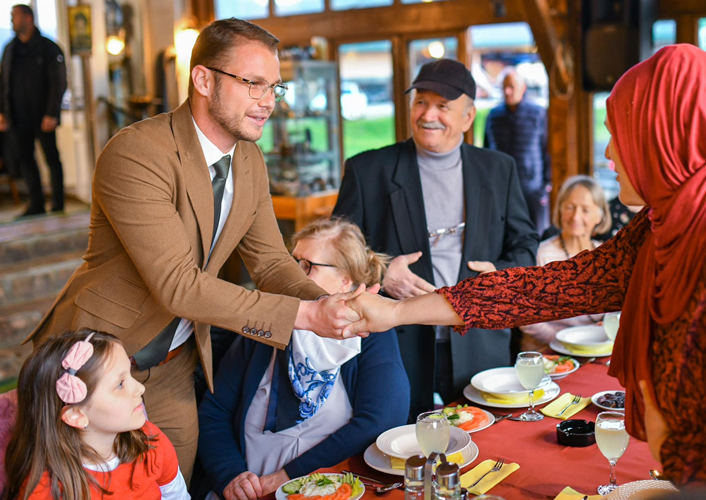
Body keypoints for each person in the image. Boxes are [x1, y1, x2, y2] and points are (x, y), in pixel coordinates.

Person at [344, 44, 706, 498]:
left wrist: (675, 446)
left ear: (661, 136)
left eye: (618, 134)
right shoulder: (674, 216)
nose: (608, 154)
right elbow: (554, 286)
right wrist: (394, 313)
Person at [23, 19, 365, 480]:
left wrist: (328, 304)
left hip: (172, 369)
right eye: (253, 84)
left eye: (275, 88)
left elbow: (270, 263)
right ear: (203, 79)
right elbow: (178, 286)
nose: (268, 102)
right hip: (95, 369)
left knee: (171, 488)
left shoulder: (249, 158)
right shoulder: (136, 152)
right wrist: (305, 318)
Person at [333, 58, 539, 420]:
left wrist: (498, 273)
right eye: (421, 102)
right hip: (396, 344)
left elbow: (524, 245)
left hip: (480, 339)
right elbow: (335, 256)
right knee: (399, 452)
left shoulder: (498, 169)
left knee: (491, 448)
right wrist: (380, 274)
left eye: (443, 106)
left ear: (468, 116)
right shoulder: (368, 170)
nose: (428, 114)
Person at [196, 218, 409, 500]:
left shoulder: (372, 334)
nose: (292, 275)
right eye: (292, 262)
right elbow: (214, 413)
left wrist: (288, 476)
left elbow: (380, 420)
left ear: (345, 280)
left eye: (307, 266)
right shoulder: (266, 325)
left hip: (332, 491)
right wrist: (231, 475)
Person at [4, 330, 190, 500]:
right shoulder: (44, 491)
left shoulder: (150, 440)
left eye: (130, 375)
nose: (140, 388)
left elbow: (177, 496)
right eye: (120, 384)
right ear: (76, 415)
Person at [519, 175, 610, 351]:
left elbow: (614, 313)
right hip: (547, 352)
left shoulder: (607, 255)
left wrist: (596, 337)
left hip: (594, 349)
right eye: (570, 207)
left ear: (599, 216)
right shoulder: (542, 255)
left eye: (585, 210)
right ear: (560, 210)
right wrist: (570, 343)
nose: (576, 216)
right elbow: (526, 318)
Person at [0, 4, 67, 216]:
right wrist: (2, 112)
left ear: (28, 18)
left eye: (14, 16)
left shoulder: (49, 48)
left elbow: (59, 82)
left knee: (52, 159)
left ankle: (58, 204)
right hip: (19, 118)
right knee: (26, 161)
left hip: (43, 116)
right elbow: (3, 83)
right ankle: (36, 204)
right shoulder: (10, 49)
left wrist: (52, 113)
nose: (12, 21)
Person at [484, 70, 551, 232]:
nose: (507, 91)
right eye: (504, 87)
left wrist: (546, 184)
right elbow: (486, 152)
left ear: (523, 88)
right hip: (501, 187)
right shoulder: (493, 116)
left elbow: (546, 150)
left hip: (532, 188)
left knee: (535, 232)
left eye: (512, 87)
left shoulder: (537, 114)